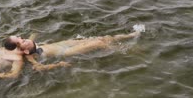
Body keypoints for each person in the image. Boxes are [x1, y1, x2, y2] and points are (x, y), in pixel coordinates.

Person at [15, 24, 146, 71]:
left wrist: (35, 29)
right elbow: (38, 67)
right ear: (25, 50)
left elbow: (32, 34)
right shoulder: (29, 54)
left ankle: (130, 35)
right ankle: (129, 51)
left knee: (103, 38)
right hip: (66, 51)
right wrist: (59, 65)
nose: (24, 39)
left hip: (66, 43)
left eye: (23, 38)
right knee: (99, 44)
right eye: (22, 41)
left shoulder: (29, 43)